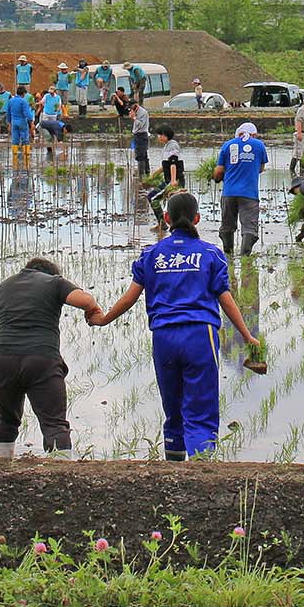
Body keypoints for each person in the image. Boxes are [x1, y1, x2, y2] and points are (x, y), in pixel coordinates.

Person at [89, 192, 264, 460]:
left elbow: (130, 297)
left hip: (164, 337)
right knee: (201, 406)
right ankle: (201, 465)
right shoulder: (210, 254)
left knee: (173, 403)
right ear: (197, 218)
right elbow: (226, 300)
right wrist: (247, 335)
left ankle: (173, 463)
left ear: (167, 219)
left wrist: (103, 319)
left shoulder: (151, 255)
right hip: (199, 335)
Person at [0, 258, 104, 457]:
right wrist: (93, 311)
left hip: (4, 361)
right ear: (52, 273)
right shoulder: (55, 282)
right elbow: (86, 301)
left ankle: (0, 468)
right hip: (42, 360)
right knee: (54, 423)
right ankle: (61, 473)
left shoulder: (2, 287)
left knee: (6, 418)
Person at [213, 122, 269, 254]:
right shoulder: (259, 145)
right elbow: (261, 168)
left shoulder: (227, 145)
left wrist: (216, 177)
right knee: (249, 227)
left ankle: (228, 254)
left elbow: (219, 171)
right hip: (249, 194)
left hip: (229, 193)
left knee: (227, 225)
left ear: (239, 133)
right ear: (253, 134)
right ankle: (245, 256)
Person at [6, 86, 36, 162]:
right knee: (25, 140)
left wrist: (9, 123)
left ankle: (15, 158)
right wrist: (31, 122)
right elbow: (27, 113)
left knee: (15, 140)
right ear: (23, 94)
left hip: (14, 122)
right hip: (22, 122)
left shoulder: (11, 101)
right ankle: (26, 159)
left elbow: (8, 113)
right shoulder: (23, 101)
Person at [128, 94, 152, 175]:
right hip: (137, 135)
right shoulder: (135, 111)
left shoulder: (143, 113)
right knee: (143, 154)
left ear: (135, 105)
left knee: (141, 156)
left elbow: (141, 125)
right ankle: (146, 173)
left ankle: (141, 174)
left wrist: (134, 118)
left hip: (142, 135)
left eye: (131, 106)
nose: (130, 108)